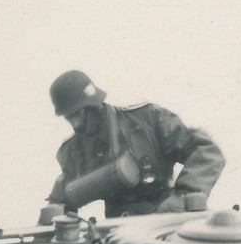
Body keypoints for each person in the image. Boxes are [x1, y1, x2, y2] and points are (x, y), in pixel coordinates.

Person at [46, 70, 225, 218]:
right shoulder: (75, 150)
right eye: (70, 118)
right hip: (117, 230)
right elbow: (61, 200)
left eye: (80, 114)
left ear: (95, 105)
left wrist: (184, 195)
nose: (76, 124)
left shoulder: (147, 120)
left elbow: (206, 151)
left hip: (168, 217)